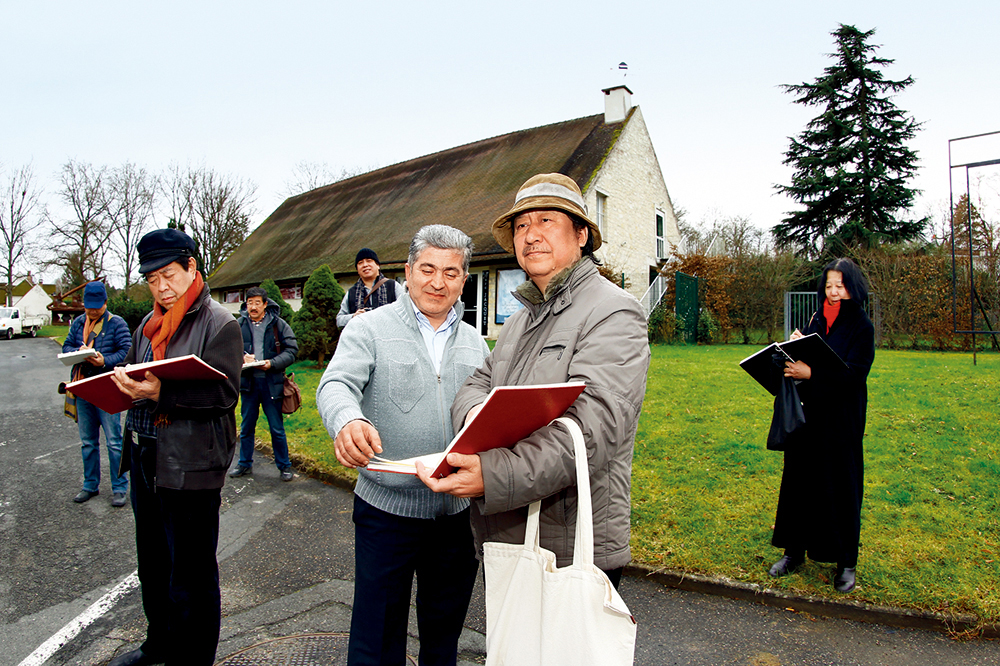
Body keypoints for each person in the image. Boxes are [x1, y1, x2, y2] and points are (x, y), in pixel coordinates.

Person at [418, 173, 650, 589]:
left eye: (546, 221)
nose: (530, 235)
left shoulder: (613, 312)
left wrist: (494, 474)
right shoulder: (522, 317)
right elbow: (478, 382)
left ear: (581, 235)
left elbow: (592, 429)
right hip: (506, 538)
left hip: (569, 547)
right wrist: (478, 413)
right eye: (522, 225)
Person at [316, 225, 489, 666]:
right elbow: (335, 383)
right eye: (427, 269)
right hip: (385, 512)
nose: (438, 282)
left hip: (455, 516)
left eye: (451, 273)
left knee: (443, 636)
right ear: (407, 272)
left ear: (463, 280)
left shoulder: (476, 343)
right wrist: (347, 419)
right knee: (376, 639)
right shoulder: (369, 328)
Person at [108, 228, 243, 666]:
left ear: (191, 268)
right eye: (151, 279)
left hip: (190, 464)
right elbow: (142, 382)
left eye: (169, 275)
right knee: (153, 564)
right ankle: (159, 645)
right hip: (145, 452)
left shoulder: (219, 323)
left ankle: (193, 658)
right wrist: (121, 388)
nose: (161, 287)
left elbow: (224, 396)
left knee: (192, 574)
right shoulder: (146, 326)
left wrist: (157, 394)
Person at [768, 257, 875, 593]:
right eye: (829, 285)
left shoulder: (862, 325)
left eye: (839, 286)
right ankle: (793, 552)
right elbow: (809, 357)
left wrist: (811, 372)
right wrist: (796, 345)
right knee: (799, 482)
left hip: (841, 420)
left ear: (852, 287)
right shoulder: (816, 317)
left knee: (841, 486)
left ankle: (846, 562)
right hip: (808, 415)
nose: (833, 291)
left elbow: (854, 374)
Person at [62, 281, 132, 507]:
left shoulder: (117, 323)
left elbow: (127, 353)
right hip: (83, 387)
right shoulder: (78, 323)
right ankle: (90, 485)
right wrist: (77, 353)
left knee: (114, 442)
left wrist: (104, 361)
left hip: (107, 387)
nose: (92, 311)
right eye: (89, 306)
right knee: (87, 442)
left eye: (97, 306)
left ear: (105, 302)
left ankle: (120, 487)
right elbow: (65, 348)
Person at [229, 286, 299, 481]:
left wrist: (272, 363)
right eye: (249, 303)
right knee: (246, 427)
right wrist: (242, 358)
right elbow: (227, 349)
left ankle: (284, 466)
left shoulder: (278, 324)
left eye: (257, 303)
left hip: (272, 385)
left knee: (277, 428)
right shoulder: (239, 325)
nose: (253, 306)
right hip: (248, 384)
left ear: (265, 304)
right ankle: (244, 464)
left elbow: (292, 350)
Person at [335, 247, 398, 328]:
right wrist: (354, 316)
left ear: (378, 265)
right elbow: (339, 320)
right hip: (362, 338)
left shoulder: (393, 286)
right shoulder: (351, 293)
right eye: (360, 263)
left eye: (369, 261)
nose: (365, 265)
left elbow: (406, 311)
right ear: (357, 270)